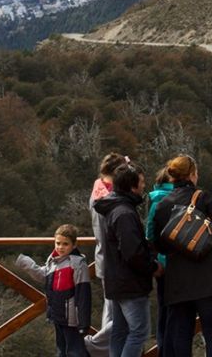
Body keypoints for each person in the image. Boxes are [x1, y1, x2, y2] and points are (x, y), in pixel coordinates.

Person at [153, 155, 212, 357]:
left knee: (182, 336)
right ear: (193, 175)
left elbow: (159, 245)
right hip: (207, 278)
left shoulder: (162, 205)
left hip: (177, 281)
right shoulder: (203, 198)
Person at [93, 162, 163, 357]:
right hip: (130, 282)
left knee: (120, 330)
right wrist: (153, 267)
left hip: (116, 280)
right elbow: (132, 252)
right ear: (132, 186)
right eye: (141, 182)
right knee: (139, 332)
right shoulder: (124, 213)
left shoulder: (113, 209)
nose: (143, 185)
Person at [17, 224, 92, 357]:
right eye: (58, 243)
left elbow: (83, 294)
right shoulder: (53, 260)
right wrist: (25, 263)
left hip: (72, 319)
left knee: (75, 351)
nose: (60, 247)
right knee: (61, 350)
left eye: (65, 244)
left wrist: (83, 322)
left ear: (74, 245)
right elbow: (43, 276)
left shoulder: (78, 264)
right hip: (57, 314)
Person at [86, 152, 126, 357]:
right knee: (125, 315)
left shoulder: (98, 190)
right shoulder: (106, 198)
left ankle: (107, 351)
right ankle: (90, 345)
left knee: (111, 311)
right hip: (113, 261)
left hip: (104, 259)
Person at [145, 166, 174, 355]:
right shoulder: (182, 198)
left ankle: (162, 350)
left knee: (163, 311)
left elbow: (150, 234)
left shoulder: (154, 200)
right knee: (179, 314)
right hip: (179, 264)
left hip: (161, 264)